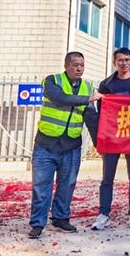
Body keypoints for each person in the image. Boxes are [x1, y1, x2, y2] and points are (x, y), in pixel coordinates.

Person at [28, 52, 102, 239]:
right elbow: (59, 98)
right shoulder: (52, 81)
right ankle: (37, 224)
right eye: (75, 65)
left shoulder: (87, 87)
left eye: (82, 65)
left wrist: (99, 144)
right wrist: (87, 99)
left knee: (67, 185)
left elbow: (91, 118)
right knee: (41, 186)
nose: (79, 69)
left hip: (71, 147)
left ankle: (60, 219)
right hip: (46, 144)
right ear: (66, 65)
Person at [90, 47, 130, 231]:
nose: (124, 63)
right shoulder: (106, 84)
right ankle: (104, 214)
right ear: (115, 62)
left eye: (127, 60)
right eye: (120, 60)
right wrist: (100, 139)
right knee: (107, 178)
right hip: (112, 137)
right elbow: (102, 114)